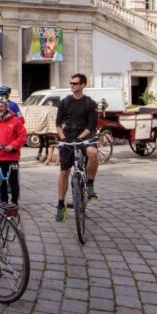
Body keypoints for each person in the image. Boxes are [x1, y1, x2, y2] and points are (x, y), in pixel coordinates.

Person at [55, 73, 99, 222]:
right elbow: (58, 123)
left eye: (75, 83)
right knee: (64, 172)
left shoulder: (89, 103)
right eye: (71, 83)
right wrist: (62, 138)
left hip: (84, 135)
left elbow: (91, 125)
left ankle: (90, 184)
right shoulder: (65, 102)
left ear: (82, 85)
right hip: (68, 137)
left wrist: (81, 137)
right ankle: (61, 205)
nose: (72, 85)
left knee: (93, 152)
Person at [0, 99, 26, 205]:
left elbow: (23, 136)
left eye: (1, 106)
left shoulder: (16, 121)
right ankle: (4, 202)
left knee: (13, 181)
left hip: (12, 157)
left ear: (6, 107)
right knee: (1, 182)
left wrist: (13, 145)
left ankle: (14, 203)